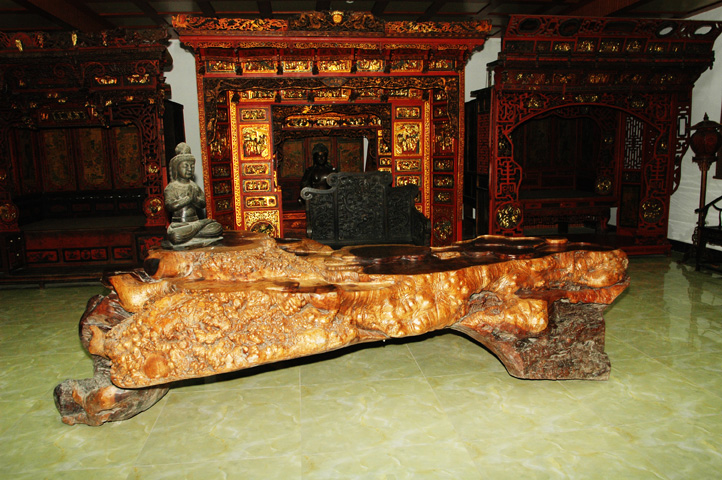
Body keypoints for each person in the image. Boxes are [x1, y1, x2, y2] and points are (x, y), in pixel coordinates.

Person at [164, 143, 223, 246]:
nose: (189, 169)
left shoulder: (194, 186)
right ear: (177, 168)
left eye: (192, 166)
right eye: (185, 166)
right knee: (175, 236)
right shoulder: (171, 187)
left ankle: (194, 234)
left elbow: (203, 204)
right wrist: (186, 200)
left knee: (217, 227)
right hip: (180, 225)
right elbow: (170, 206)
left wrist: (194, 199)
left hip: (195, 222)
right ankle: (195, 234)